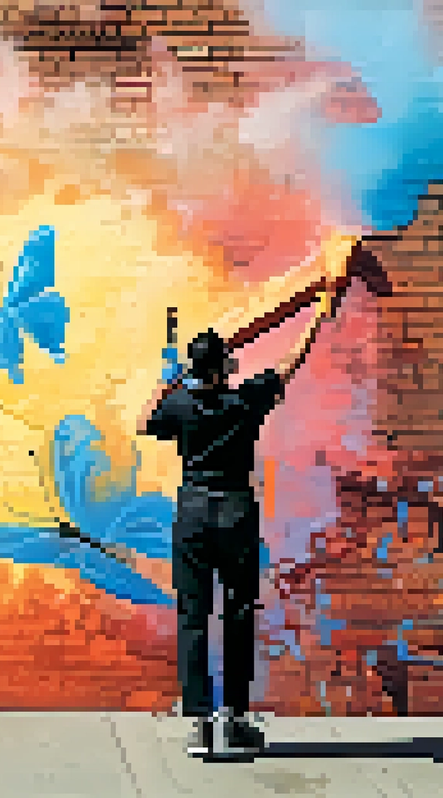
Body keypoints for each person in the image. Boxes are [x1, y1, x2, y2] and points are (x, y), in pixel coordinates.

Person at [138, 297, 333, 757]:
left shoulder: (180, 405)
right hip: (236, 513)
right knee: (238, 613)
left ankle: (200, 725)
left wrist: (171, 380)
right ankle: (236, 719)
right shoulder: (244, 400)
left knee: (193, 617)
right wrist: (318, 317)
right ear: (224, 367)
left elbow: (146, 420)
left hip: (193, 514)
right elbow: (290, 364)